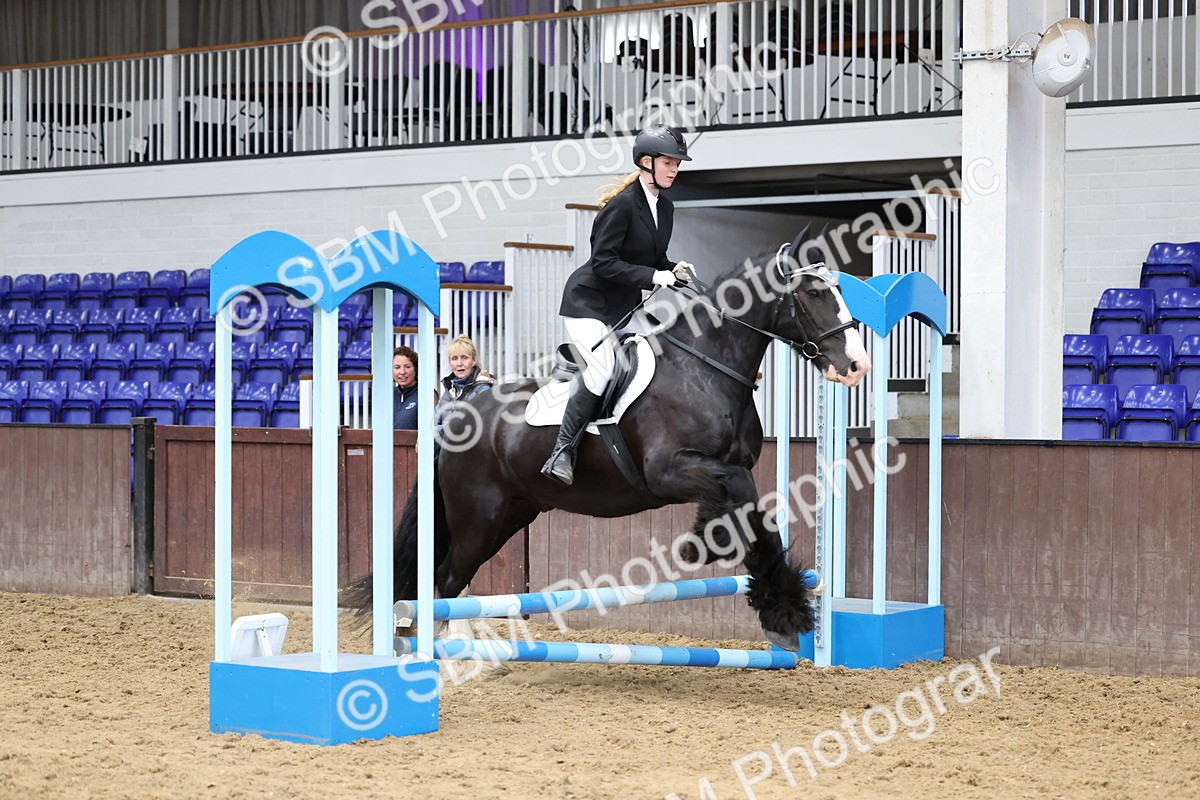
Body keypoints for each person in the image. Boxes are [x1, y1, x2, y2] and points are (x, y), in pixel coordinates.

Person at [541, 123, 695, 485]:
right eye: (669, 162)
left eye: (677, 163)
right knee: (603, 368)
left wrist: (674, 269)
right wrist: (656, 277)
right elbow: (604, 263)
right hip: (588, 303)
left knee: (662, 349)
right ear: (646, 162)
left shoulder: (665, 207)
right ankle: (562, 451)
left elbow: (654, 258)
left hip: (624, 304)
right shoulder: (621, 206)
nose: (674, 169)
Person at [433, 334, 495, 439]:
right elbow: (434, 418)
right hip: (446, 446)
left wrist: (437, 431)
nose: (459, 363)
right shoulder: (450, 389)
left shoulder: (483, 389)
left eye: (464, 358)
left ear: (474, 361)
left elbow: (469, 425)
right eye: (454, 358)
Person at [392, 345, 438, 430]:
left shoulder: (427, 394)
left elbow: (434, 428)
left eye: (407, 367)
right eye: (397, 367)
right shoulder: (389, 395)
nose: (402, 372)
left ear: (415, 369)